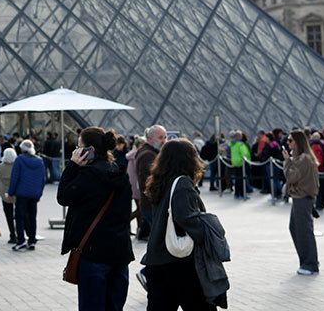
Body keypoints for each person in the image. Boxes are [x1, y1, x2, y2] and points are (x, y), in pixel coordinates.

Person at [57, 127, 133, 311]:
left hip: (93, 252)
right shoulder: (120, 173)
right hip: (120, 251)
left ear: (89, 149)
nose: (76, 150)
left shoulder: (88, 175)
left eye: (79, 147)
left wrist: (73, 166)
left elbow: (63, 197)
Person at [142, 138, 223, 310]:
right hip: (180, 261)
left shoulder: (158, 182)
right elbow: (186, 218)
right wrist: (207, 230)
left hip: (156, 259)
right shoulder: (183, 183)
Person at [283, 129, 320, 276]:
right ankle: (307, 261)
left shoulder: (304, 159)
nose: (288, 143)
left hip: (302, 197)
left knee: (303, 231)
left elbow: (291, 177)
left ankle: (310, 264)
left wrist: (287, 161)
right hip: (301, 197)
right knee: (296, 228)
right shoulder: (303, 158)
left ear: (298, 142)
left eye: (290, 140)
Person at [9, 139, 46, 251]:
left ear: (22, 149)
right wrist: (39, 194)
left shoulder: (19, 159)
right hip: (34, 194)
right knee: (32, 218)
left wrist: (11, 192)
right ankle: (32, 240)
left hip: (21, 194)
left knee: (19, 217)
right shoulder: (40, 161)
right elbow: (43, 179)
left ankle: (21, 241)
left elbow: (14, 177)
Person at [136, 125, 166, 239]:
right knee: (159, 239)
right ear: (150, 139)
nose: (164, 141)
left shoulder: (149, 152)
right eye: (160, 137)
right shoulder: (148, 155)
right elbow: (147, 182)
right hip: (152, 204)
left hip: (150, 204)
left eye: (165, 137)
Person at [0, 148, 18, 244]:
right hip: (16, 191)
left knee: (8, 214)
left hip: (4, 191)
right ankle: (19, 233)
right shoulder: (17, 165)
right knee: (19, 214)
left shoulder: (1, 166)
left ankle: (12, 234)